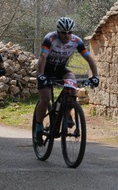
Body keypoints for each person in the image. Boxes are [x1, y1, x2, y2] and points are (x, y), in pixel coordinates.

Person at [35, 17, 100, 145]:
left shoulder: (76, 41)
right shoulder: (50, 39)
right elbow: (43, 57)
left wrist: (95, 76)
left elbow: (89, 58)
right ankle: (38, 128)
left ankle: (67, 110)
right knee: (45, 98)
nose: (67, 35)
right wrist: (41, 75)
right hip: (45, 70)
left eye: (69, 32)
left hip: (60, 69)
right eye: (63, 33)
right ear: (58, 32)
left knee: (71, 80)